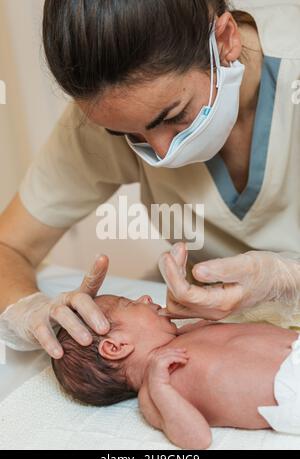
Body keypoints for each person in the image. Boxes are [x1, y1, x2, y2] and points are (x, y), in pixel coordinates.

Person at [0, 0, 299, 357]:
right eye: (126, 134)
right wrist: (26, 308)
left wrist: (287, 282)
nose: (159, 153)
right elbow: (9, 246)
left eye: (173, 115)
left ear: (225, 39)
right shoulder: (115, 109)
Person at [52, 293, 300, 450]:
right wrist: (162, 386)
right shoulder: (152, 393)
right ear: (116, 346)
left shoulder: (185, 333)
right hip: (290, 391)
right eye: (129, 303)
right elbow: (197, 440)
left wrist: (207, 319)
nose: (146, 298)